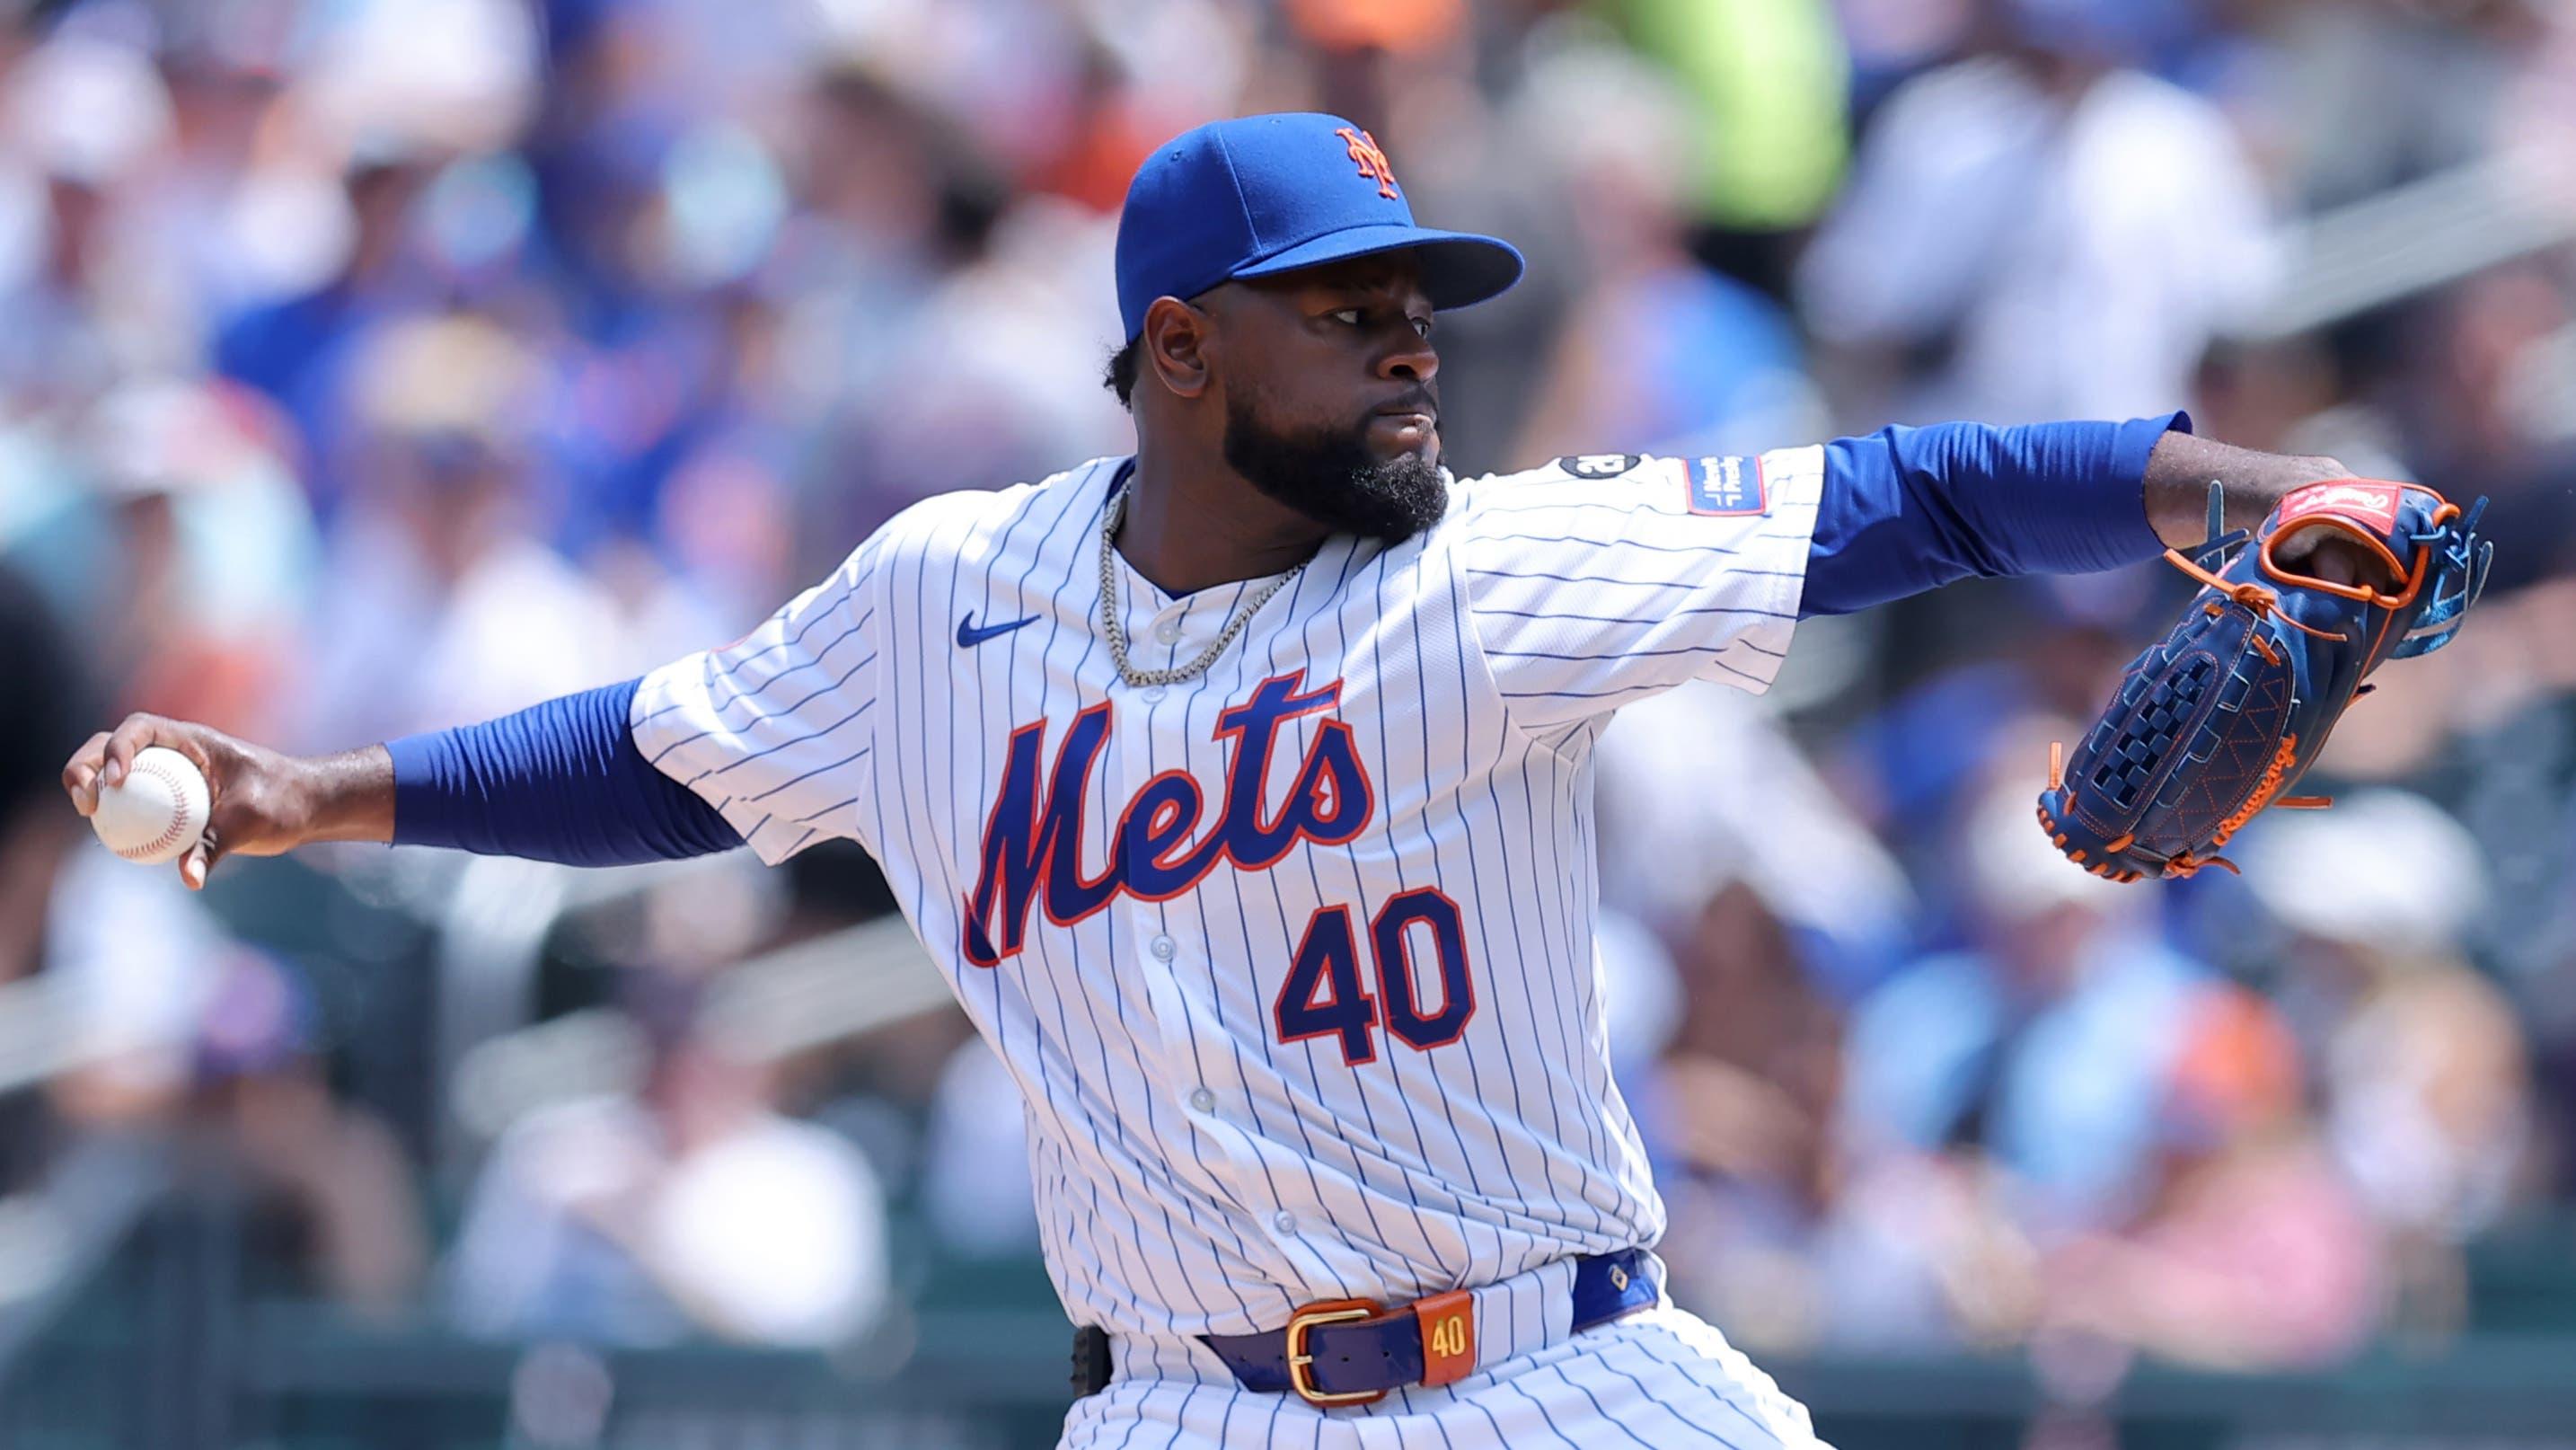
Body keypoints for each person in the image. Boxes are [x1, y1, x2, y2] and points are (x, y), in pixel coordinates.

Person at [65, 112, 2376, 1447]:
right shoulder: (930, 602)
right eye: (1344, 304)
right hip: (1184, 1406)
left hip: (1561, 1379)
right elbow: (664, 764)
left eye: (1417, 300)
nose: (1408, 343)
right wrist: (308, 797)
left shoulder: (1495, 570)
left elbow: (1923, 495)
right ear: (1177, 352)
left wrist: (2243, 482)